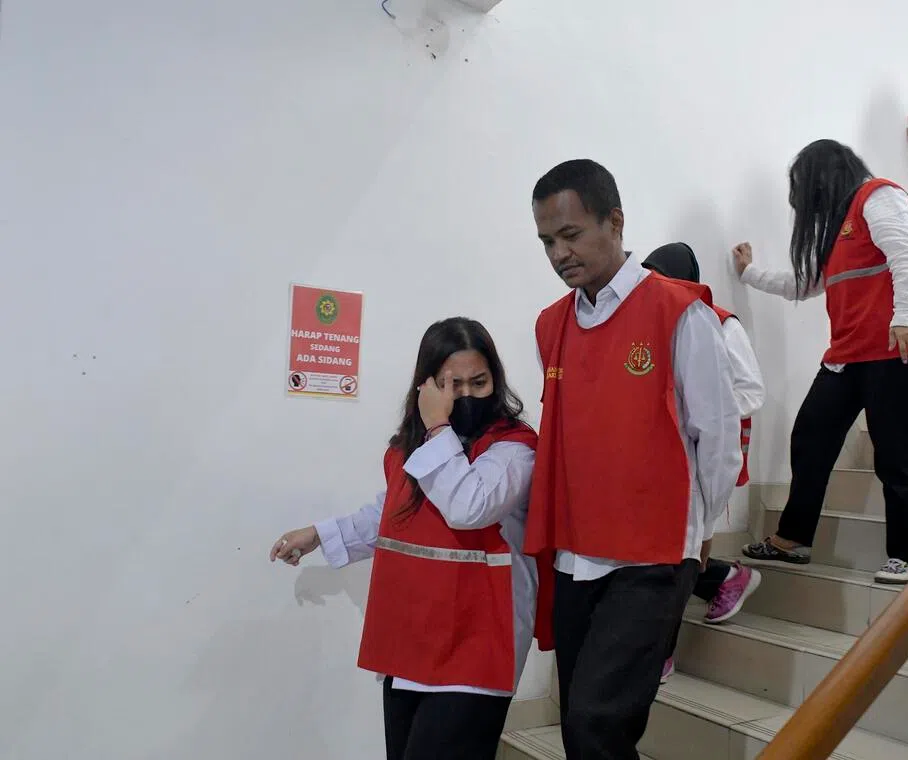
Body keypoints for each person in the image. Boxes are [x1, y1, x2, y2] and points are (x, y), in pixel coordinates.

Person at [524, 159, 742, 760]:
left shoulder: (679, 311)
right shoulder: (552, 324)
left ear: (614, 222)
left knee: (599, 723)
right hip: (574, 552)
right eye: (547, 241)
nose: (559, 254)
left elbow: (717, 436)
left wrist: (699, 530)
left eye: (570, 235)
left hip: (653, 554)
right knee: (579, 724)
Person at [270, 317, 542, 760]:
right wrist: (320, 534)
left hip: (477, 644)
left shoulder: (513, 450)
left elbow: (469, 506)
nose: (468, 395)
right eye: (453, 384)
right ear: (427, 386)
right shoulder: (412, 449)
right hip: (414, 638)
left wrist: (438, 429)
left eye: (480, 382)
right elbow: (394, 514)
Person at [735, 139, 908, 585]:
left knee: (894, 452)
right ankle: (794, 538)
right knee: (810, 436)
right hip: (849, 353)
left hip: (894, 347)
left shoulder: (878, 196)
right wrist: (749, 273)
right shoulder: (837, 225)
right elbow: (803, 283)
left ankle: (907, 554)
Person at [641, 242, 765, 683]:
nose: (654, 287)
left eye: (662, 277)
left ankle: (662, 654)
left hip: (703, 456)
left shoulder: (720, 323)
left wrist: (705, 406)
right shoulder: (651, 323)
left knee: (685, 551)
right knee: (667, 553)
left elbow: (752, 392)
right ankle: (724, 579)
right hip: (661, 458)